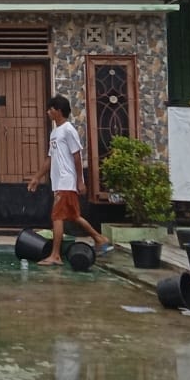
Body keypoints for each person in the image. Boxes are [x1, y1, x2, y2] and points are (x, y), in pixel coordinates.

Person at [26, 95, 112, 265]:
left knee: (57, 216)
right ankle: (100, 238)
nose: (48, 112)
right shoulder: (55, 132)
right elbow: (50, 158)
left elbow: (77, 156)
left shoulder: (68, 130)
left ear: (58, 111)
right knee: (73, 216)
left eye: (51, 109)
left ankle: (55, 255)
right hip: (59, 181)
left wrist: (80, 181)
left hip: (66, 180)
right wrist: (37, 177)